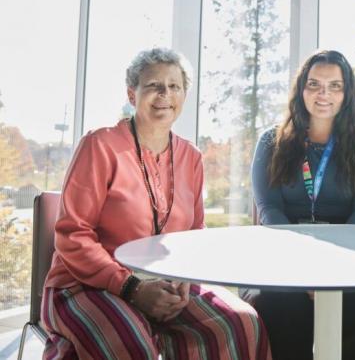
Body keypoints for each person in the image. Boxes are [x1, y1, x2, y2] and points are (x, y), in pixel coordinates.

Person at [41, 48, 271, 360]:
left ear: (184, 95)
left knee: (242, 322)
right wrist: (132, 288)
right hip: (86, 285)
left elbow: (194, 234)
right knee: (130, 343)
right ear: (132, 93)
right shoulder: (100, 145)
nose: (165, 95)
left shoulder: (192, 157)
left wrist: (183, 281)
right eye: (153, 86)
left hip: (166, 285)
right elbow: (73, 235)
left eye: (174, 86)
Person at [250, 50, 355, 360]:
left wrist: (332, 271)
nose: (323, 94)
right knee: (279, 313)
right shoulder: (270, 142)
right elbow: (269, 212)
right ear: (301, 89)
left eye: (335, 86)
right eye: (314, 84)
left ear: (348, 93)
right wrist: (304, 268)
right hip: (285, 252)